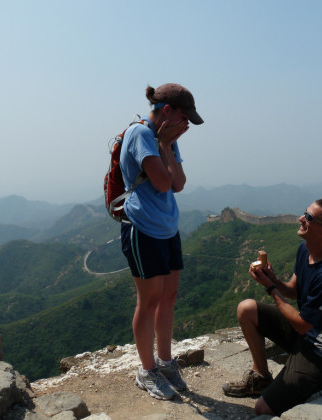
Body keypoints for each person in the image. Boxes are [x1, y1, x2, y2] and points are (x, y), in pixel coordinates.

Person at [222, 199, 322, 416]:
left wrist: (271, 288)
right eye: (304, 213)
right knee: (247, 309)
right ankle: (262, 378)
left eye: (309, 218)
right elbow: (293, 290)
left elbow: (302, 326)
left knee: (262, 409)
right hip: (305, 335)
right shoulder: (305, 250)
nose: (301, 219)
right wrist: (273, 279)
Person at [120, 83, 203, 400]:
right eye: (185, 117)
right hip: (143, 229)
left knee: (168, 297)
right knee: (150, 300)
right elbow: (162, 181)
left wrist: (168, 146)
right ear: (167, 111)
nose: (186, 125)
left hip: (168, 226)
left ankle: (166, 362)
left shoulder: (166, 139)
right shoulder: (141, 135)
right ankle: (146, 370)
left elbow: (179, 184)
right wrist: (165, 146)